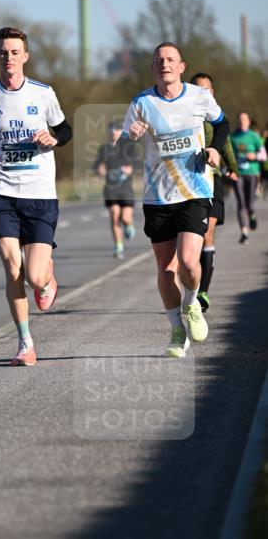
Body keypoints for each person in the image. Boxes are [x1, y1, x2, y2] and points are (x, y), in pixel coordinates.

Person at [0, 26, 72, 366]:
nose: (9, 58)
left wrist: (54, 139)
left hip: (39, 194)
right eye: (3, 52)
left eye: (15, 52)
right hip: (0, 191)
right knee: (12, 267)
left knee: (34, 277)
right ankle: (25, 343)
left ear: (26, 56)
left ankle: (47, 274)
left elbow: (65, 130)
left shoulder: (43, 94)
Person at [123, 43, 229, 357]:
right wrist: (133, 133)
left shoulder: (199, 96)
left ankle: (192, 301)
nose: (164, 64)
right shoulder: (141, 102)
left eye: (170, 60)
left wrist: (215, 149)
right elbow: (128, 141)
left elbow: (221, 123)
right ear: (153, 68)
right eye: (158, 61)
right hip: (157, 197)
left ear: (181, 66)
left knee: (187, 261)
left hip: (195, 190)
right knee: (165, 269)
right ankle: (176, 328)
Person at [189, 72, 239, 312]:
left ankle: (203, 292)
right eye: (198, 88)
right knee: (192, 239)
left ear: (213, 92)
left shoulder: (215, 116)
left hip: (214, 178)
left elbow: (225, 142)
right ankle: (192, 286)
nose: (203, 92)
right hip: (190, 180)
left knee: (207, 232)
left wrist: (233, 167)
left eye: (207, 89)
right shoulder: (185, 113)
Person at [93, 121, 137, 258]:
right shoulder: (104, 148)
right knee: (114, 214)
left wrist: (130, 169)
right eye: (111, 129)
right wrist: (100, 169)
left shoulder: (128, 147)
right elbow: (96, 165)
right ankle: (119, 246)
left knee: (125, 218)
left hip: (126, 188)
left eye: (117, 129)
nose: (113, 131)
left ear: (121, 131)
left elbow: (137, 163)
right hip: (110, 188)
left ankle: (129, 226)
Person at [230, 112, 263, 243]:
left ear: (249, 122)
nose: (242, 122)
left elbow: (264, 155)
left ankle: (252, 213)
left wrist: (254, 156)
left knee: (249, 203)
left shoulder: (254, 136)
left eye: (244, 120)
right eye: (240, 120)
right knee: (241, 202)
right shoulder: (232, 137)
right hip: (238, 173)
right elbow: (228, 154)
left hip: (252, 172)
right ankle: (244, 232)